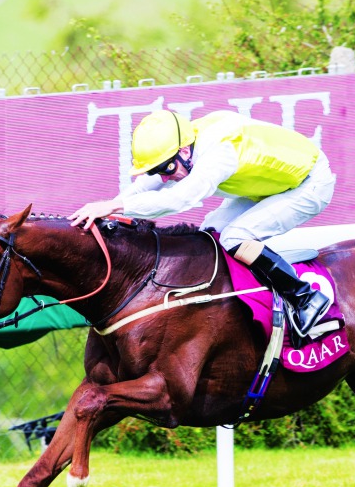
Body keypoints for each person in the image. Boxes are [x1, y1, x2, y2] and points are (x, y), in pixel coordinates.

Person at [70, 109, 336, 337]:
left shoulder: (219, 153)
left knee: (234, 237)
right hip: (273, 185)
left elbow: (179, 199)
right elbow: (143, 187)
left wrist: (114, 206)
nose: (163, 178)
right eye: (156, 170)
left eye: (166, 169)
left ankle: (305, 297)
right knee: (210, 233)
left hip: (309, 184)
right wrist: (108, 209)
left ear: (184, 151)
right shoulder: (184, 145)